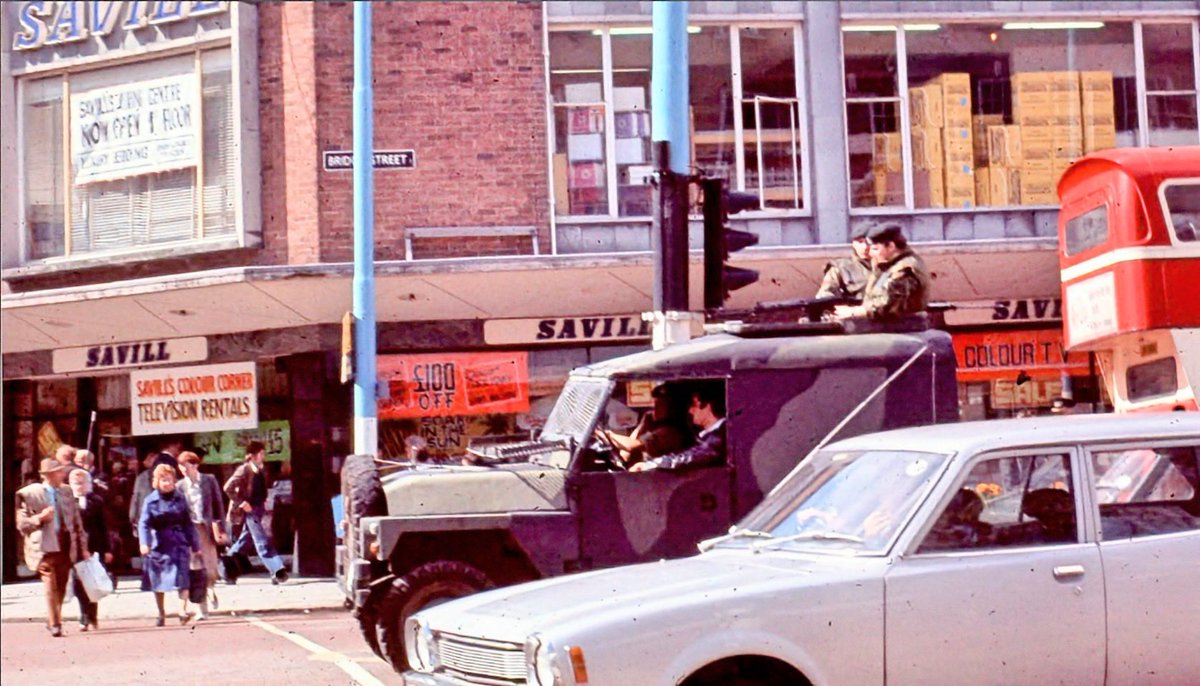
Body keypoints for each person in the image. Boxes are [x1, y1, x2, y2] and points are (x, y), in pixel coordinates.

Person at [15, 459, 89, 637]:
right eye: (58, 472)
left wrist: (83, 546)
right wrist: (40, 518)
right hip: (44, 546)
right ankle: (55, 624)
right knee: (50, 585)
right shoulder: (29, 494)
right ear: (47, 475)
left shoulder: (66, 491)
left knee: (62, 586)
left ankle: (53, 619)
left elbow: (77, 521)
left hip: (64, 544)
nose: (62, 474)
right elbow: (22, 524)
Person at [138, 463, 200, 627]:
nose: (167, 483)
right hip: (159, 545)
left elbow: (188, 523)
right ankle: (161, 612)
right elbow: (143, 523)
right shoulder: (150, 501)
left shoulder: (180, 498)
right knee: (158, 580)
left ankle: (182, 611)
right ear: (156, 482)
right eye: (163, 480)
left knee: (183, 578)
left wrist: (195, 545)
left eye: (170, 479)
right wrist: (144, 543)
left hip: (179, 542)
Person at [833, 223, 930, 321]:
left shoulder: (905, 268)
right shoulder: (888, 265)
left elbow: (890, 303)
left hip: (902, 329)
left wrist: (854, 312)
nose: (870, 253)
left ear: (891, 246)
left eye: (875, 249)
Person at [223, 441, 289, 584]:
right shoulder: (244, 469)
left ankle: (227, 567)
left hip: (258, 509)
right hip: (250, 511)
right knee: (262, 541)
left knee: (243, 541)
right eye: (261, 453)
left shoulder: (259, 470)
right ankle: (277, 570)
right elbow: (228, 487)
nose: (263, 456)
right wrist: (241, 502)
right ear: (254, 455)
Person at [630, 383, 726, 473]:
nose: (690, 411)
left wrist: (652, 465)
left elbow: (691, 457)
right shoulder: (711, 435)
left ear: (707, 406)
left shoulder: (721, 435)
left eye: (693, 405)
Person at [177, 451, 226, 619]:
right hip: (190, 531)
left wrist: (222, 528)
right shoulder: (180, 486)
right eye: (181, 466)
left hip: (206, 529)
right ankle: (202, 609)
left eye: (187, 465)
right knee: (196, 569)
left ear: (195, 465)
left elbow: (219, 504)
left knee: (210, 567)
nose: (183, 469)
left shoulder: (209, 480)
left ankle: (211, 588)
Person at [598, 384, 693, 466]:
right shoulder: (657, 428)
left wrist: (606, 434)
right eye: (654, 405)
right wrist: (643, 425)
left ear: (673, 408)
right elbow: (625, 455)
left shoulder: (669, 433)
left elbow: (630, 446)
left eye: (660, 405)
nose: (655, 409)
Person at [68, 469, 111, 632]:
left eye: (82, 483)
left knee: (92, 582)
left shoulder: (96, 501)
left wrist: (107, 549)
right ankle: (84, 616)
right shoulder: (67, 501)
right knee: (78, 584)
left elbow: (104, 526)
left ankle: (93, 615)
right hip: (75, 548)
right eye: (75, 483)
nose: (79, 486)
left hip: (94, 546)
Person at [815, 223, 872, 300]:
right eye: (860, 242)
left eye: (869, 243)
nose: (865, 247)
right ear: (853, 244)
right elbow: (825, 294)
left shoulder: (889, 266)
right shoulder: (841, 267)